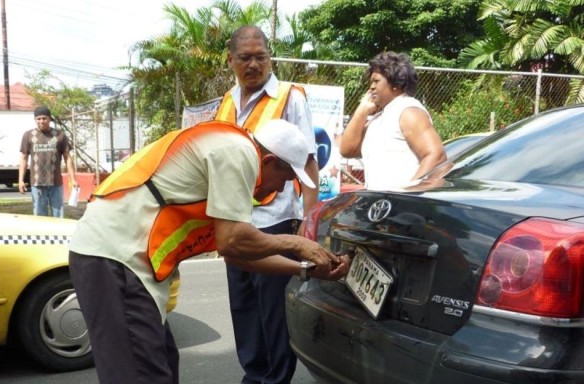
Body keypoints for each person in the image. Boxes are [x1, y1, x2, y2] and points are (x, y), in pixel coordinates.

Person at [68, 119, 350, 384]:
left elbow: (237, 255)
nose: (282, 188)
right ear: (268, 161)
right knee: (141, 374)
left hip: (123, 261)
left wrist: (305, 270)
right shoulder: (238, 154)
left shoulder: (233, 156)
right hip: (113, 256)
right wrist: (297, 243)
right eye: (286, 178)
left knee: (160, 365)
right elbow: (232, 242)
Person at [214, 25, 318, 384]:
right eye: (245, 58)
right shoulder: (227, 101)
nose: (254, 64)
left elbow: (307, 161)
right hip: (233, 221)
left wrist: (307, 218)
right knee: (243, 309)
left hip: (275, 219)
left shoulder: (291, 97)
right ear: (231, 60)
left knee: (273, 314)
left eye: (261, 56)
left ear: (270, 57)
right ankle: (253, 376)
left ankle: (275, 380)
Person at [340, 51, 446, 190]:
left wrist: (406, 194)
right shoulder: (379, 118)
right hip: (381, 206)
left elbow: (437, 157)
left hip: (402, 207)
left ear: (396, 83)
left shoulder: (408, 111)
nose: (371, 87)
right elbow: (347, 150)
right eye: (371, 82)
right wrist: (362, 110)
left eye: (376, 81)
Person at [18, 105, 79, 217]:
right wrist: (20, 180)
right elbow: (24, 158)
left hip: (56, 183)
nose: (41, 121)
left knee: (58, 215)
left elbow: (68, 158)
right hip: (37, 183)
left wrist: (73, 179)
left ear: (50, 119)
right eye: (39, 118)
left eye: (44, 118)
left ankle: (59, 234)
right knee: (39, 216)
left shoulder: (59, 135)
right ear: (35, 119)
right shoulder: (28, 135)